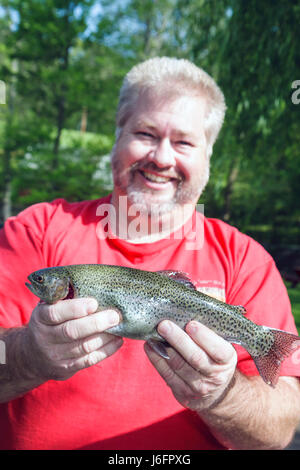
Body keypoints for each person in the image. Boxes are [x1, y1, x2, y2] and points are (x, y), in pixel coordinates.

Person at [0, 57, 299, 451]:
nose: (161, 157)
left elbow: (279, 433)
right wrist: (28, 355)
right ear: (117, 135)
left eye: (184, 142)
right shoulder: (34, 231)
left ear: (208, 155)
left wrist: (222, 394)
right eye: (145, 132)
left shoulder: (246, 258)